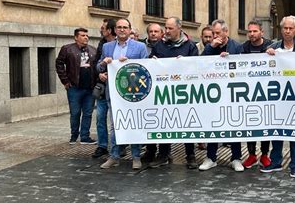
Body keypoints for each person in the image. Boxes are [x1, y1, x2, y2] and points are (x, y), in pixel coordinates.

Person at [260, 16, 295, 178]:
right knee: (277, 131)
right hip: (277, 98)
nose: (287, 31)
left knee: (294, 133)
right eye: (285, 28)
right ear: (281, 29)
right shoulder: (273, 47)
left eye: (291, 28)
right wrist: (266, 56)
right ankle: (276, 162)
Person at [148, 17, 199, 169]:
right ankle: (163, 154)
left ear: (179, 28)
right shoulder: (159, 45)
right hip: (164, 92)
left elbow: (196, 67)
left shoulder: (190, 46)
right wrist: (153, 61)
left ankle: (190, 155)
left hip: (184, 92)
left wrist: (185, 63)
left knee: (187, 124)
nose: (167, 31)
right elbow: (151, 63)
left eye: (170, 28)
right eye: (166, 28)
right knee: (165, 122)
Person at [98, 18, 148, 170]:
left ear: (130, 29)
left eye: (125, 27)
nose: (121, 30)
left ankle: (136, 157)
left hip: (134, 94)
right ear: (115, 30)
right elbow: (98, 67)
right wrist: (102, 67)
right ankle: (114, 156)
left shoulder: (140, 47)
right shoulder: (107, 47)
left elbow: (147, 69)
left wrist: (130, 63)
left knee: (134, 124)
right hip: (113, 92)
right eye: (119, 27)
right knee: (115, 125)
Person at [199, 19, 244, 172]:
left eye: (218, 33)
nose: (215, 36)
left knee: (234, 124)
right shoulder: (209, 46)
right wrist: (212, 48)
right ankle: (211, 158)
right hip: (214, 93)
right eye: (213, 33)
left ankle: (236, 158)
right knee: (213, 123)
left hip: (232, 92)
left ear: (226, 32)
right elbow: (201, 63)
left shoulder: (237, 46)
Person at [55, 28, 97, 145]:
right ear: (76, 37)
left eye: (87, 35)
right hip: (74, 87)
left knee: (88, 113)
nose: (86, 38)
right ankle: (74, 136)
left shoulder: (93, 50)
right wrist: (65, 81)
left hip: (89, 88)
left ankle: (85, 137)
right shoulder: (67, 49)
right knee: (75, 113)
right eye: (83, 35)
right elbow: (59, 64)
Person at [241, 20, 273, 169]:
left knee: (265, 123)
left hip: (266, 92)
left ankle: (265, 154)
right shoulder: (244, 47)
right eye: (250, 31)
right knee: (250, 124)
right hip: (249, 93)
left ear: (262, 32)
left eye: (255, 31)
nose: (252, 34)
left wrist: (274, 55)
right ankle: (252, 155)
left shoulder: (270, 46)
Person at [92, 19, 116, 159]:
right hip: (103, 87)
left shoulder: (121, 45)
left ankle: (118, 146)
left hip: (117, 89)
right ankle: (102, 145)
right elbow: (96, 63)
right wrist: (100, 73)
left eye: (104, 27)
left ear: (110, 30)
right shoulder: (102, 44)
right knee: (100, 117)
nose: (101, 29)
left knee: (115, 120)